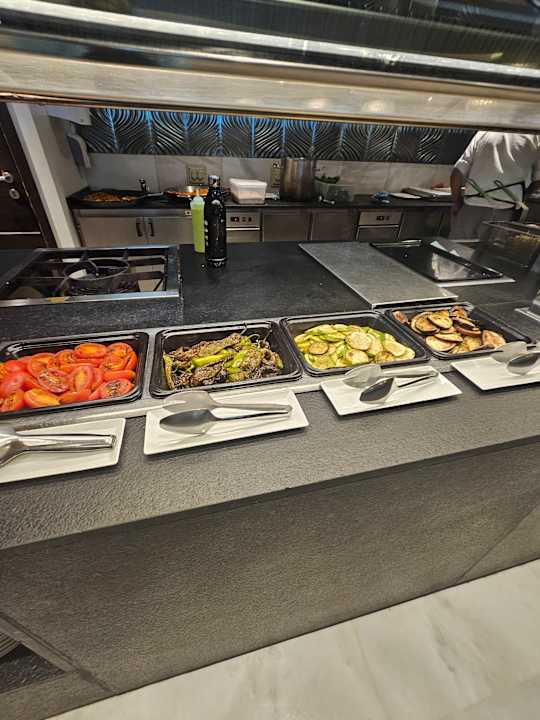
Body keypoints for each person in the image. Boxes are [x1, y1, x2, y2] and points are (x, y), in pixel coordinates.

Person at [450, 131, 540, 239]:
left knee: (456, 247)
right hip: (504, 213)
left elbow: (457, 172)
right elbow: (538, 180)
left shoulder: (485, 132)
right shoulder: (535, 136)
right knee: (490, 249)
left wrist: (456, 202)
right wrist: (522, 197)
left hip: (471, 208)